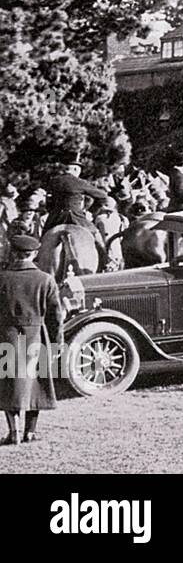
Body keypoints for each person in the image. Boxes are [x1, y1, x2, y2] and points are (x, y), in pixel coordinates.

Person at [0, 235, 63, 445]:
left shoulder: (2, 278)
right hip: (37, 334)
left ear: (13, 253)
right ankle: (30, 432)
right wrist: (56, 342)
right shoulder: (46, 279)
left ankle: (13, 431)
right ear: (34, 254)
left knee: (8, 383)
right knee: (36, 383)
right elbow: (56, 316)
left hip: (6, 334)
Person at [43, 161, 107, 231]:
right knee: (95, 234)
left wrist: (52, 210)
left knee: (43, 237)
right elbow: (103, 196)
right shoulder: (80, 182)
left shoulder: (54, 181)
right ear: (76, 170)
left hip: (55, 217)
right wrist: (92, 211)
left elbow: (49, 199)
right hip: (75, 216)